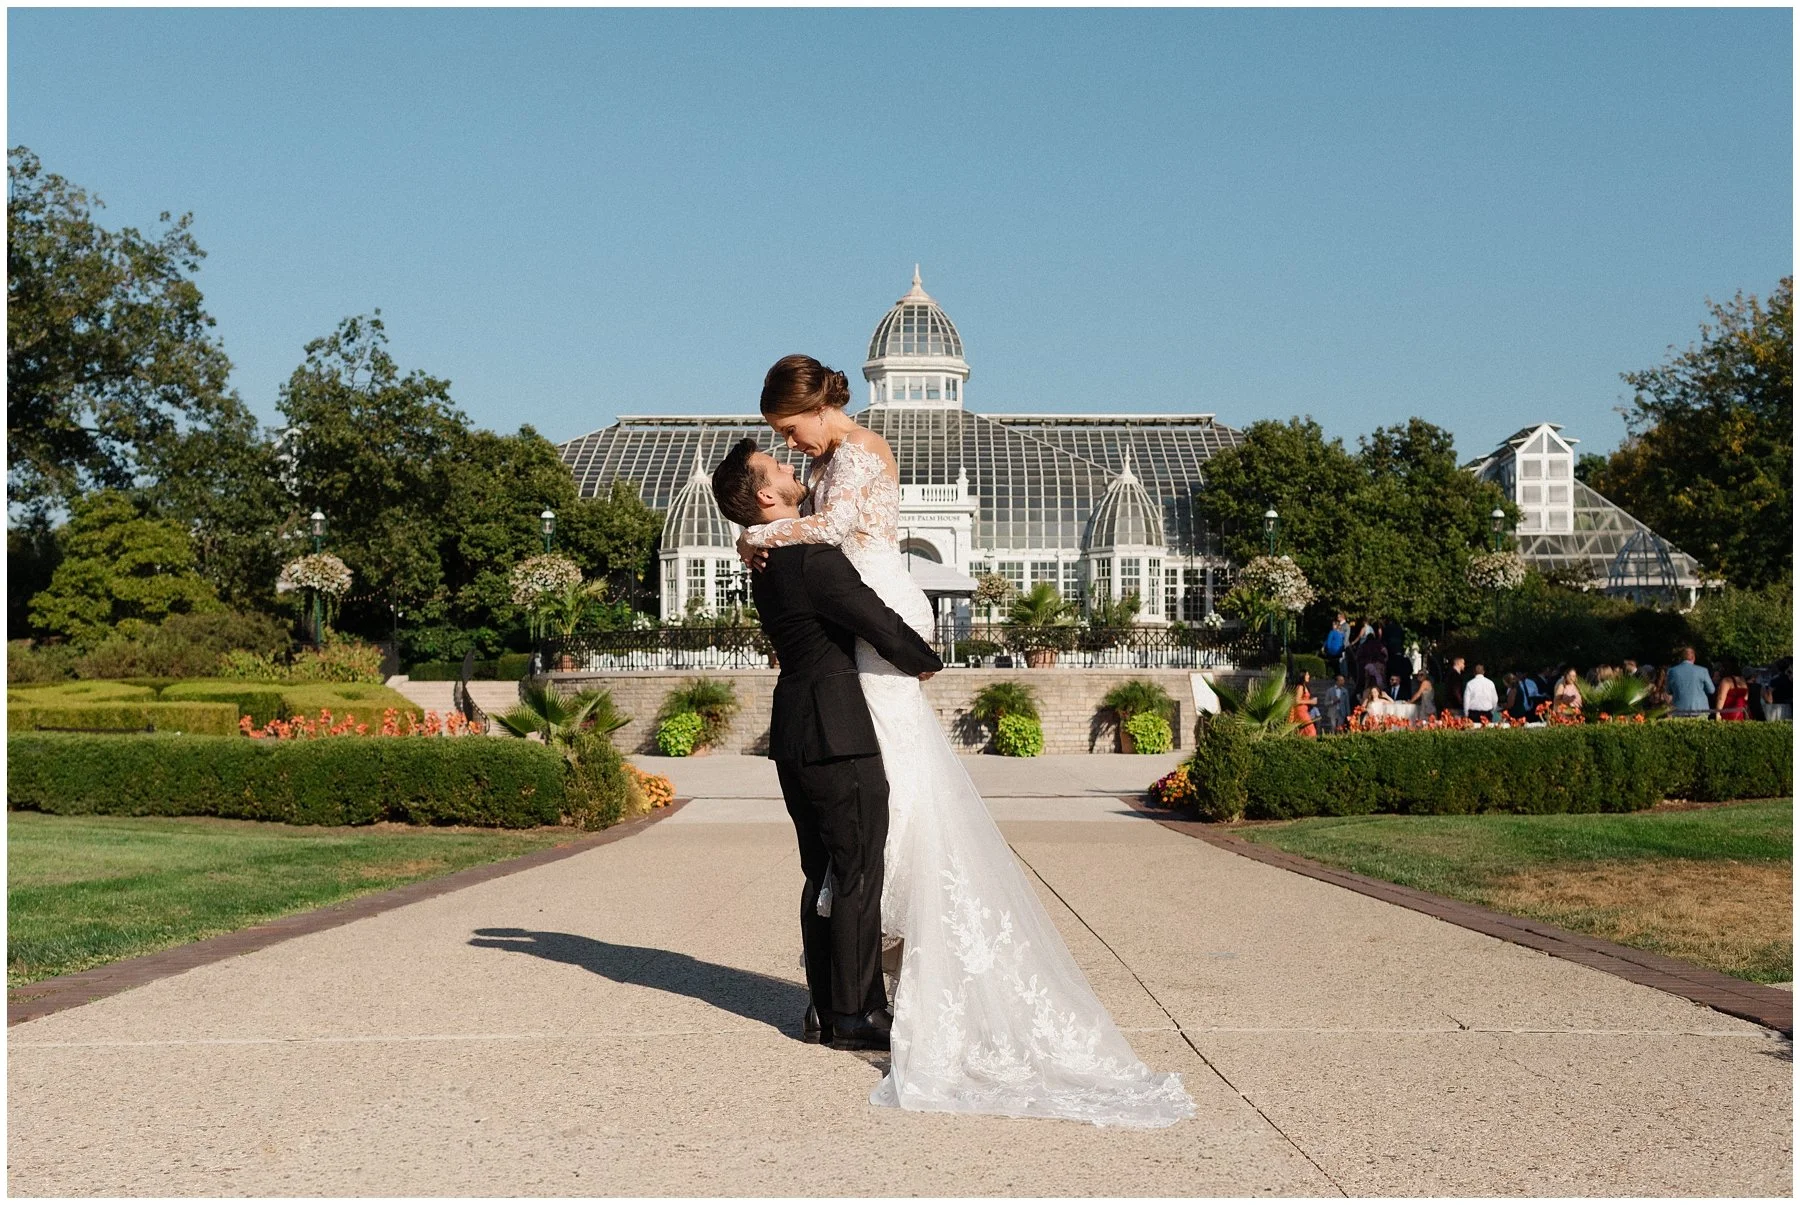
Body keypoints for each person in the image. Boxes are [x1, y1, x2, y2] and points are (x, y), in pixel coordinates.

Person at [729, 355, 1193, 1127]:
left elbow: (839, 530)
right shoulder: (819, 476)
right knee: (874, 816)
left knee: (886, 811)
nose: (791, 446)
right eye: (781, 440)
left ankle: (870, 990)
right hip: (864, 643)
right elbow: (820, 549)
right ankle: (865, 991)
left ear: (814, 407)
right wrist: (765, 530)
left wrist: (762, 530)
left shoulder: (861, 453)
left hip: (881, 633)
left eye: (788, 429)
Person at [715, 438, 944, 1052]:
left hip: (796, 732)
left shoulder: (766, 560)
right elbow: (871, 617)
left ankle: (822, 1005)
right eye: (780, 468)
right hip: (837, 734)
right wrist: (925, 660)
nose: (792, 469)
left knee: (821, 871)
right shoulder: (810, 559)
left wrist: (751, 538)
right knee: (856, 871)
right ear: (766, 495)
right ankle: (856, 1013)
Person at [1666, 647, 1715, 719]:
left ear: (1681, 658)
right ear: (1693, 657)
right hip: (1699, 709)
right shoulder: (1703, 670)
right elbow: (1711, 690)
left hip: (1679, 710)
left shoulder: (1672, 671)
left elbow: (1669, 691)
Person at [1290, 670, 1318, 738]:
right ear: (1303, 676)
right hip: (1300, 711)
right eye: (1307, 675)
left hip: (1305, 710)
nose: (1309, 676)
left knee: (1303, 731)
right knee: (1311, 731)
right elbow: (1297, 701)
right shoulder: (1300, 687)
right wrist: (1311, 701)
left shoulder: (1305, 686)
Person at [1765, 658, 1793, 722]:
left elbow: (1770, 693)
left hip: (1778, 706)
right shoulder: (1790, 679)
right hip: (1789, 706)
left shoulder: (1775, 680)